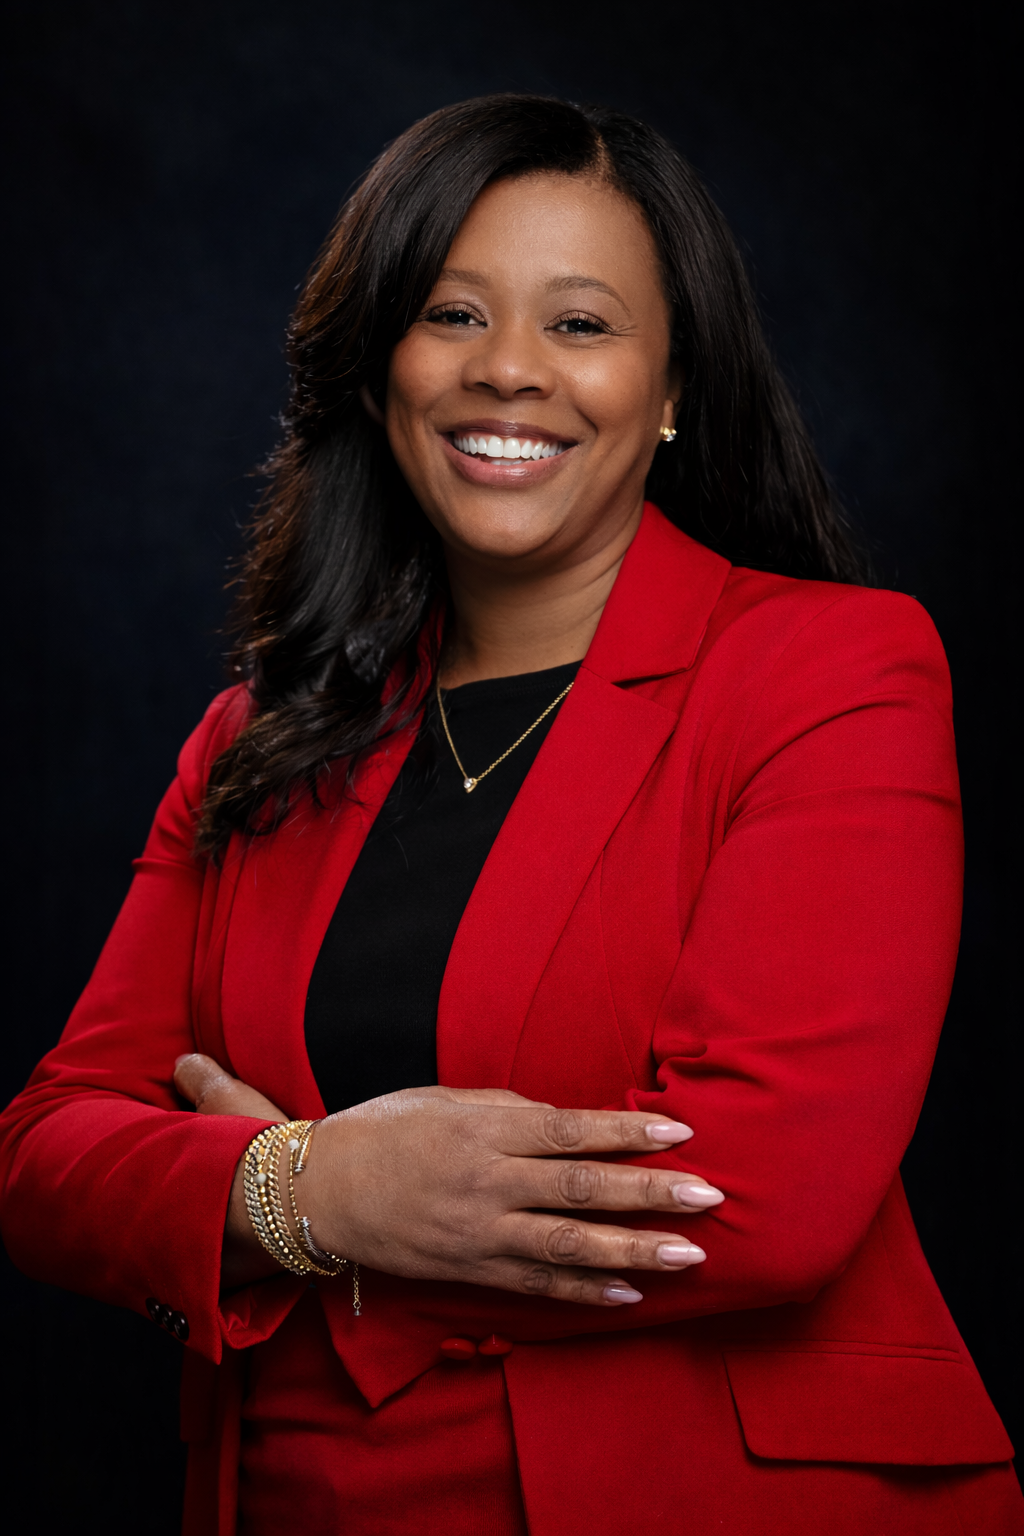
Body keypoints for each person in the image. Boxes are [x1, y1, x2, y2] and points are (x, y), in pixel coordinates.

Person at [0, 94, 1018, 1536]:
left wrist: (287, 1228)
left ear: (671, 389)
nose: (510, 371)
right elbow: (50, 1155)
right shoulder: (254, 739)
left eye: (580, 324)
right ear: (380, 371)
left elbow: (763, 1196)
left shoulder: (830, 670)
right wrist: (315, 1188)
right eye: (452, 314)